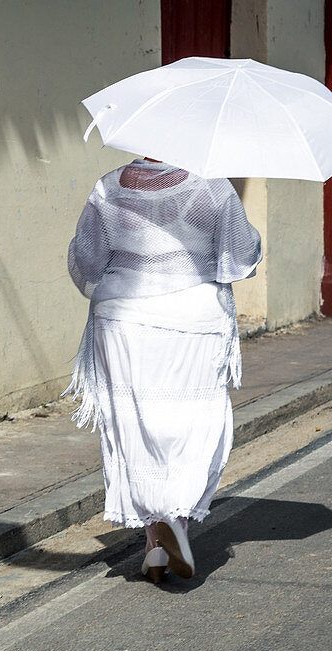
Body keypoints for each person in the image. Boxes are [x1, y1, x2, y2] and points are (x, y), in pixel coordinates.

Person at [65, 157, 262, 583]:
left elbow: (87, 260)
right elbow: (239, 256)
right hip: (191, 319)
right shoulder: (213, 186)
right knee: (187, 423)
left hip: (122, 319)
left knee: (137, 425)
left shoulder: (108, 187)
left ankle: (155, 546)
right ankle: (177, 520)